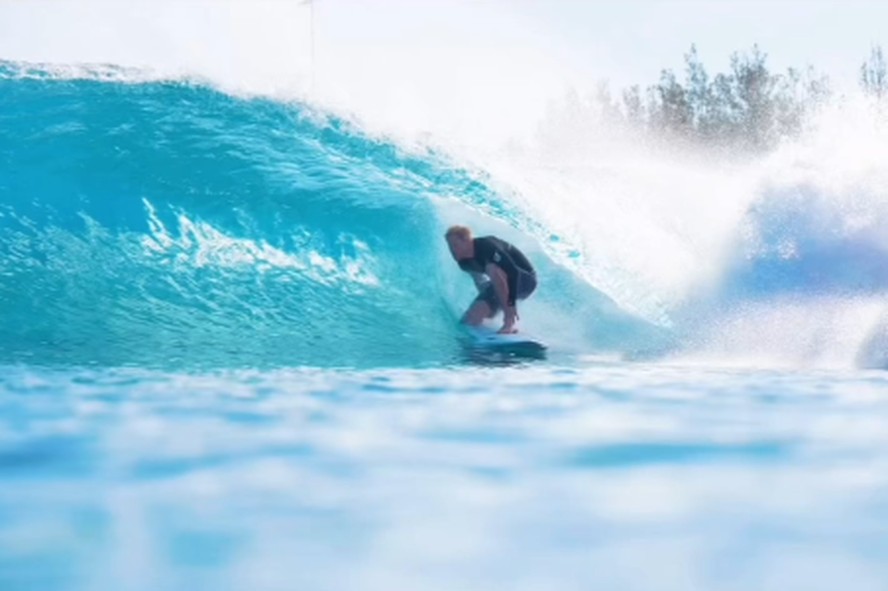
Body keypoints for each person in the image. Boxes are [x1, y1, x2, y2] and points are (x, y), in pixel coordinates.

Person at [444, 225, 537, 334]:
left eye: (455, 245)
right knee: (468, 320)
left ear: (466, 240)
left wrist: (509, 308)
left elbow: (513, 273)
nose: (452, 250)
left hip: (525, 280)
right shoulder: (464, 263)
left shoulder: (487, 245)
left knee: (492, 268)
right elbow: (482, 285)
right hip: (501, 283)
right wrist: (487, 307)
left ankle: (510, 323)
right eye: (450, 247)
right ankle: (478, 345)